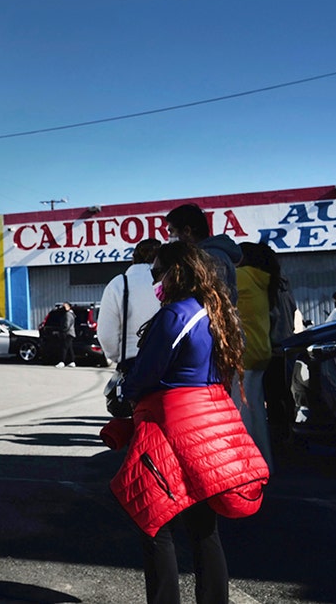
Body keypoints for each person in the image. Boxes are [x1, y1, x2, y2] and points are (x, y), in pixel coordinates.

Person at [109, 241, 269, 604]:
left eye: (156, 272)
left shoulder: (174, 315)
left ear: (175, 271)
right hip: (209, 422)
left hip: (170, 426)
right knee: (203, 527)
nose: (155, 281)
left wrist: (124, 392)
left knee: (155, 522)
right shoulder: (217, 311)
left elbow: (147, 374)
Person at [234, 243, 275, 471]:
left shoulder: (240, 276)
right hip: (261, 351)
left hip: (243, 353)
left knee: (241, 415)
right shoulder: (261, 279)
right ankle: (264, 464)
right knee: (257, 413)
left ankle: (248, 469)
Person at [98, 239, 163, 370]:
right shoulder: (171, 282)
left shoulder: (119, 284)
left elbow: (106, 334)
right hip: (167, 362)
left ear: (134, 258)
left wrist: (117, 355)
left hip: (131, 361)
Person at [165, 203, 242, 304]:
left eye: (172, 231)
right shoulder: (199, 255)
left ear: (187, 231)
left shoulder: (211, 257)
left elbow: (216, 300)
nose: (170, 236)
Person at [54, 302, 77, 368]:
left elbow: (66, 325)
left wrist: (62, 331)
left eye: (65, 306)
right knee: (69, 348)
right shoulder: (71, 314)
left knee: (64, 347)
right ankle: (72, 361)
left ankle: (62, 361)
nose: (63, 308)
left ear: (69, 307)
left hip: (67, 333)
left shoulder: (68, 314)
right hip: (70, 333)